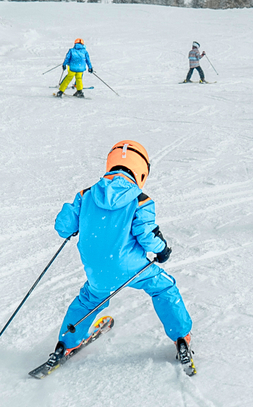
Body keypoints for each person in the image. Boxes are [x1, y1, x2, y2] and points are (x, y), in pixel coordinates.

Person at [45, 140, 195, 373]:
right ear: (141, 170)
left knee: (89, 300)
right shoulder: (140, 199)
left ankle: (64, 345)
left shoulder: (86, 195)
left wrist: (76, 214)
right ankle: (181, 337)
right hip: (132, 267)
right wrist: (162, 249)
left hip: (97, 270)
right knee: (163, 287)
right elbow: (146, 236)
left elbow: (63, 227)